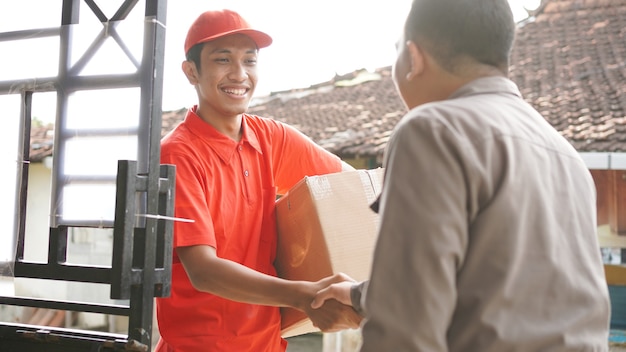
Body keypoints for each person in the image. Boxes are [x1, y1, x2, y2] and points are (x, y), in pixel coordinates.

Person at [311, 0, 612, 350]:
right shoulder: (564, 154)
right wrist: (359, 296)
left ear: (414, 58)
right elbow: (501, 279)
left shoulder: (433, 130)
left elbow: (405, 323)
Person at [156, 9, 361, 352]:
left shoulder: (271, 138)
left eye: (249, 61)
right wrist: (307, 295)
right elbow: (203, 270)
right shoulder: (178, 154)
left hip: (266, 343)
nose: (239, 74)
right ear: (191, 71)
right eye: (223, 59)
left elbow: (353, 187)